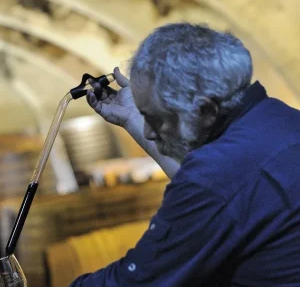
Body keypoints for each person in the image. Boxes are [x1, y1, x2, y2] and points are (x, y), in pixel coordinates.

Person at [70, 23, 300, 286]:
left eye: (155, 118)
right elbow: (231, 199)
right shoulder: (280, 120)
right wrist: (134, 116)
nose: (149, 132)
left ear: (205, 112)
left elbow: (136, 280)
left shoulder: (214, 177)